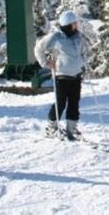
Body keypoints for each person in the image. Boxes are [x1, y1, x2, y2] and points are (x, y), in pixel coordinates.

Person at [34, 10, 86, 141]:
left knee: (74, 103)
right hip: (62, 76)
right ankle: (51, 127)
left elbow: (81, 53)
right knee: (61, 103)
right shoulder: (56, 37)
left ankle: (71, 129)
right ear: (68, 25)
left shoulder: (78, 37)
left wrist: (83, 62)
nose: (76, 26)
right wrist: (45, 63)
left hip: (76, 75)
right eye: (74, 24)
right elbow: (39, 48)